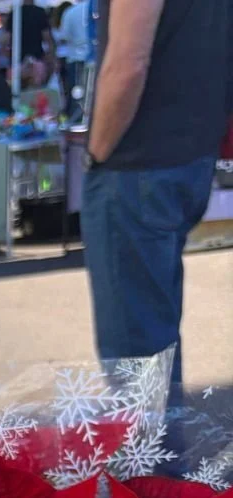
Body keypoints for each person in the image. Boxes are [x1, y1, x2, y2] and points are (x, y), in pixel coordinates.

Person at [82, 0, 231, 390]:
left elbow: (128, 64)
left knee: (137, 360)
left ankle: (157, 430)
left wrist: (97, 152)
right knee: (154, 339)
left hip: (139, 163)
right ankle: (164, 426)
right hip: (187, 153)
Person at [55, 0, 91, 118]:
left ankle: (76, 119)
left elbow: (64, 36)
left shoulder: (70, 12)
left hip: (75, 58)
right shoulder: (96, 10)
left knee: (76, 94)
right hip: (93, 58)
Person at [6, 0, 54, 72]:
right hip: (37, 56)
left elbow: (6, 38)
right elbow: (47, 37)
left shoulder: (15, 12)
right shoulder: (40, 12)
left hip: (17, 57)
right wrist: (51, 54)